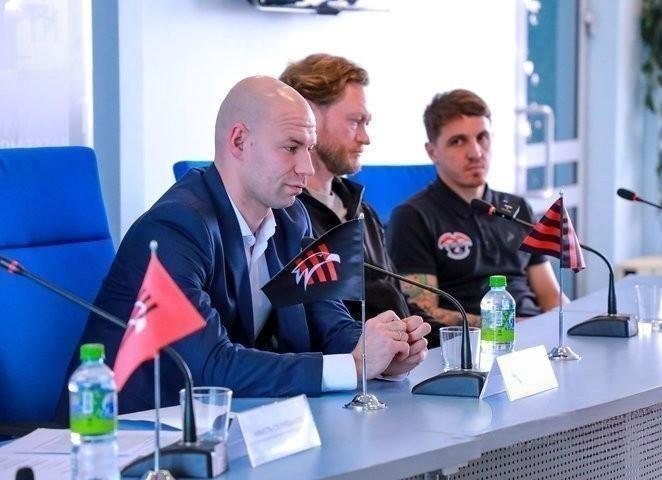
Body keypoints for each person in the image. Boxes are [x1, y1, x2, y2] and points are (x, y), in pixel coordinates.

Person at [64, 76, 430, 416]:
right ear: (239, 141)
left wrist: (384, 349)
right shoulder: (175, 227)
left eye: (309, 148)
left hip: (234, 421)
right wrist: (354, 365)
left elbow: (328, 322)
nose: (306, 167)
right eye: (291, 148)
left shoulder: (292, 217)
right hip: (130, 430)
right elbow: (209, 366)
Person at [279, 53, 442, 348]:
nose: (366, 138)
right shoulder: (284, 215)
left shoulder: (362, 209)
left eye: (366, 123)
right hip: (349, 365)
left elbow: (399, 302)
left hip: (396, 361)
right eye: (356, 122)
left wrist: (459, 338)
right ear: (309, 115)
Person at [387, 89, 565, 327]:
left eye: (482, 137)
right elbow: (423, 312)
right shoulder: (412, 217)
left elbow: (551, 297)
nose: (475, 152)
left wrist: (573, 324)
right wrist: (508, 326)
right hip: (473, 342)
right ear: (432, 152)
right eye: (458, 141)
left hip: (535, 333)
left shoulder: (517, 207)